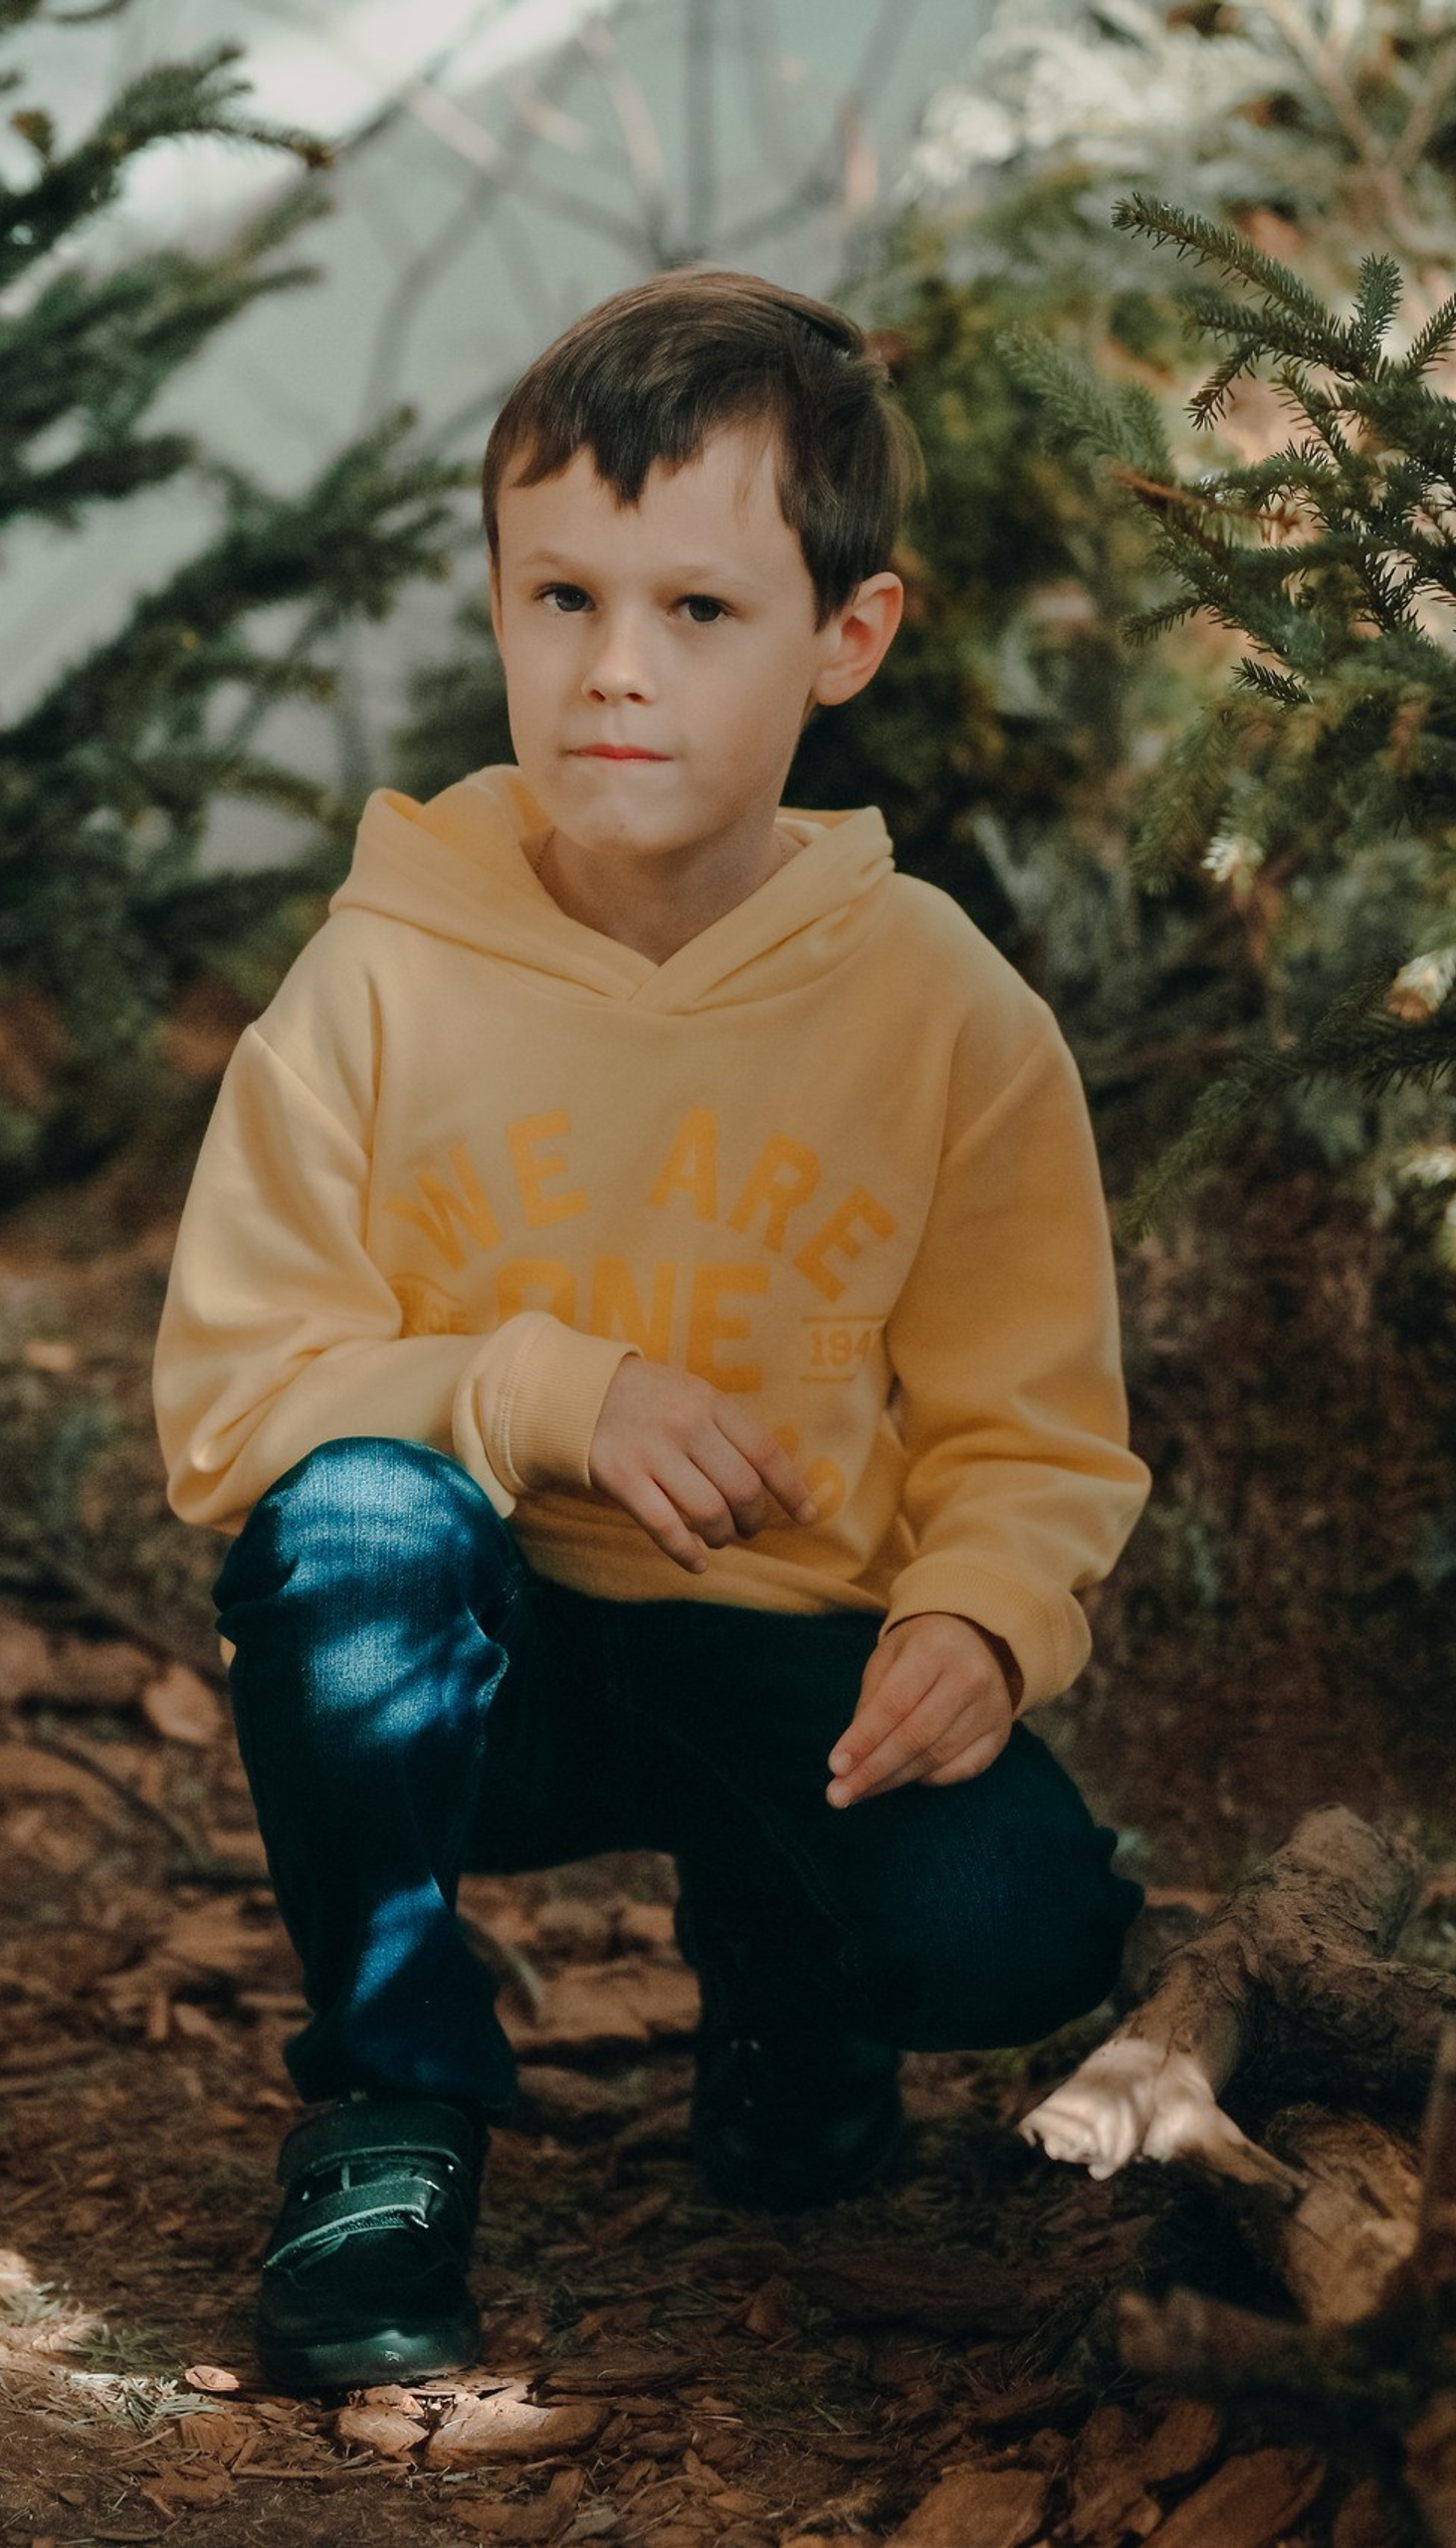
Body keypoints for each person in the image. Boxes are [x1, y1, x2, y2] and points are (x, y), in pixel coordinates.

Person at [149, 269, 1152, 2396]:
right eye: (561, 598)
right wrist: (543, 1388)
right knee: (351, 1525)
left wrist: (980, 1613)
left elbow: (1026, 1422)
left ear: (843, 639)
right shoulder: (380, 973)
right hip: (473, 1655)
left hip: (786, 1658)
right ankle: (392, 2103)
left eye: (698, 611)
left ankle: (789, 1982)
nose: (615, 671)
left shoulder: (943, 1007)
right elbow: (237, 1400)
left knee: (1022, 1923)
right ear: (499, 604)